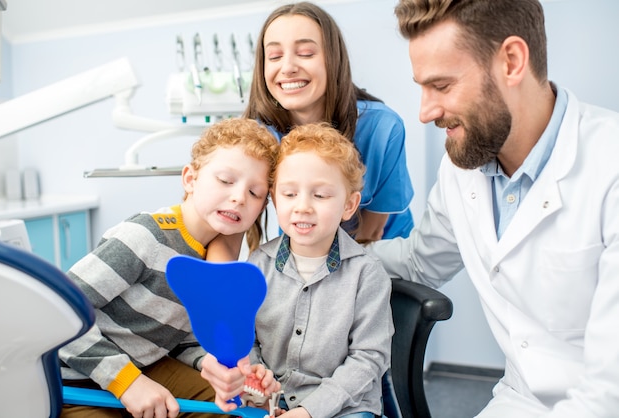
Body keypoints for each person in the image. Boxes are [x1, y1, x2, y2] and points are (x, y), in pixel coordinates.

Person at [367, 0, 619, 417]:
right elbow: (417, 262)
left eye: (442, 86)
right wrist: (323, 256)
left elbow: (608, 391)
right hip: (518, 401)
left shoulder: (609, 165)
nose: (425, 111)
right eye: (421, 87)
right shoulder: (463, 167)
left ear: (512, 61)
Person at [58, 118, 278, 418]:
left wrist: (207, 363)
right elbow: (59, 316)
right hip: (78, 378)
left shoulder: (213, 257)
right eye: (226, 180)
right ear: (190, 179)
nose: (239, 197)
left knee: (227, 409)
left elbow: (178, 337)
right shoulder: (145, 237)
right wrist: (128, 383)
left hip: (147, 366)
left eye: (255, 193)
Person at [201, 123, 394, 418]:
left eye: (320, 196)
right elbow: (246, 339)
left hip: (344, 408)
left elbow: (368, 359)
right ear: (275, 199)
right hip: (268, 403)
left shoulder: (367, 274)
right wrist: (256, 379)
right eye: (289, 194)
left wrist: (307, 412)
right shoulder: (258, 264)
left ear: (349, 204)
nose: (302, 207)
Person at [245, 1, 414, 243]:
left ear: (333, 60)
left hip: (378, 254)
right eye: (274, 56)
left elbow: (373, 231)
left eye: (305, 54)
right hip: (304, 250)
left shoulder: (382, 129)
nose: (288, 67)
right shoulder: (262, 135)